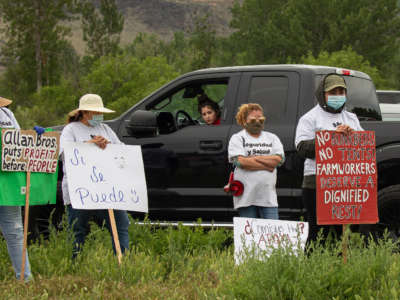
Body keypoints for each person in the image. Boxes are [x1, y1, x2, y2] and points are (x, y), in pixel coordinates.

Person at [295, 74, 363, 242]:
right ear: (322, 94)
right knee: (319, 234)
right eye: (333, 91)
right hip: (316, 183)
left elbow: (364, 148)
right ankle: (313, 266)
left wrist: (353, 137)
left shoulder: (351, 118)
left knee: (343, 235)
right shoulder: (310, 118)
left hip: (344, 183)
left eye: (341, 91)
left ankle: (341, 267)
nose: (338, 95)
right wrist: (332, 137)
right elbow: (302, 148)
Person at [60, 94, 130, 257]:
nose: (99, 116)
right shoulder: (70, 130)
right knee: (78, 229)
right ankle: (74, 266)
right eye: (96, 112)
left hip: (106, 189)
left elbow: (121, 150)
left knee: (121, 224)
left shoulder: (105, 129)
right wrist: (90, 144)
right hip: (80, 190)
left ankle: (124, 262)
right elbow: (64, 153)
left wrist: (109, 145)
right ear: (85, 112)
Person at [228, 103, 284, 219]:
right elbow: (240, 162)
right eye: (253, 119)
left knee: (272, 233)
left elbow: (278, 160)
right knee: (249, 235)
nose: (258, 122)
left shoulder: (272, 138)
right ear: (244, 120)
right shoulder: (237, 138)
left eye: (261, 118)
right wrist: (268, 165)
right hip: (246, 197)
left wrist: (255, 158)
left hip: (268, 198)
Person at [0, 96, 32, 280]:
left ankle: (25, 278)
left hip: (8, 179)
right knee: (15, 229)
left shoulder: (6, 113)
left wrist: (37, 138)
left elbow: (20, 142)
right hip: (8, 179)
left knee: (15, 230)